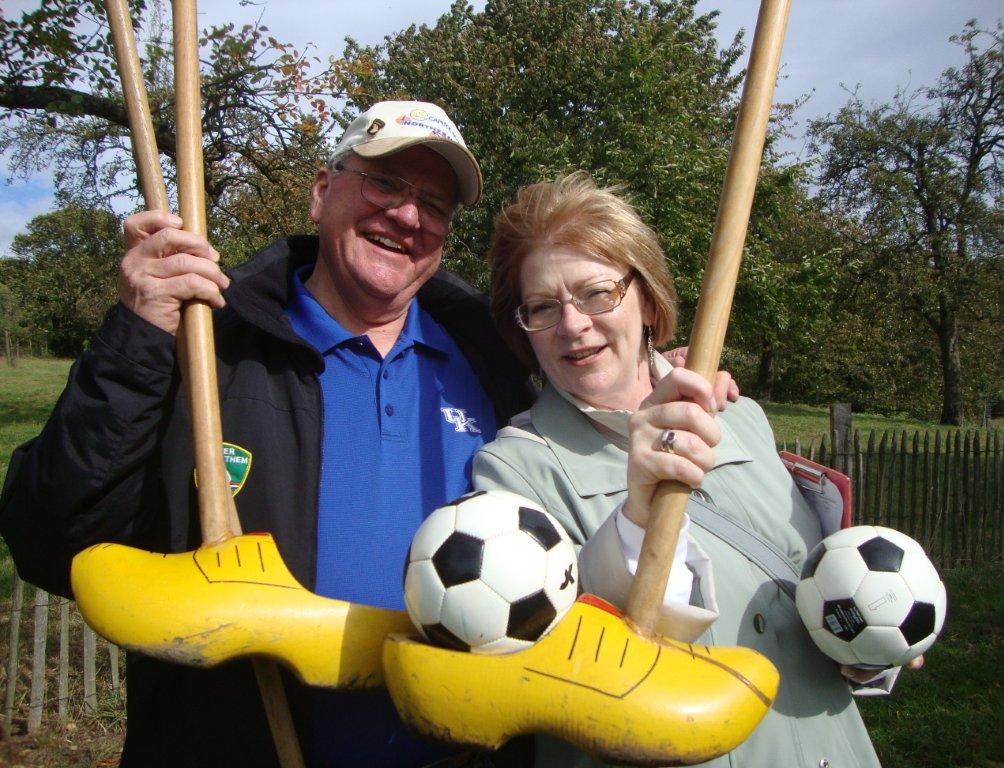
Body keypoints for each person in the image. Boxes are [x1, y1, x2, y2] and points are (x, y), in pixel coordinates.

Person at [0, 100, 536, 768]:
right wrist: (137, 336)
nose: (408, 215)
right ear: (321, 191)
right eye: (385, 183)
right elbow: (51, 540)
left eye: (434, 204)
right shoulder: (208, 347)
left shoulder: (493, 360)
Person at [471, 173, 891, 767]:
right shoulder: (514, 471)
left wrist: (869, 641)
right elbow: (555, 664)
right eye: (542, 307)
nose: (573, 324)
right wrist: (637, 514)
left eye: (597, 294)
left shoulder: (740, 418)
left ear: (647, 299)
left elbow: (811, 597)